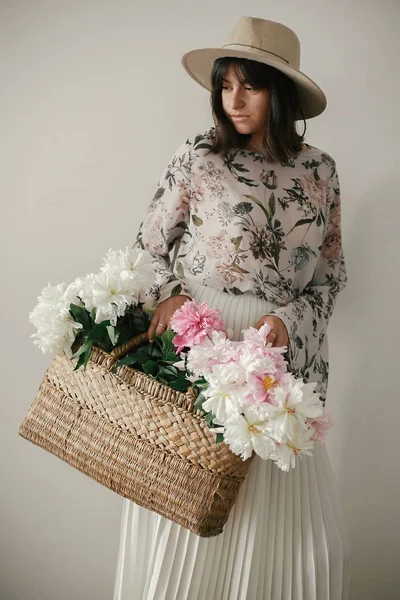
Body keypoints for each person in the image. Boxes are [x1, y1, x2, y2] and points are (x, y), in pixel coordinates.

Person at [113, 16, 351, 600]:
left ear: (282, 92)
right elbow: (146, 248)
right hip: (201, 344)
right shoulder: (198, 156)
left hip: (275, 360)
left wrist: (287, 323)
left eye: (252, 85)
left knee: (291, 531)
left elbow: (330, 279)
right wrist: (170, 297)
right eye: (225, 85)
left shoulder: (320, 171)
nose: (234, 99)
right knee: (187, 516)